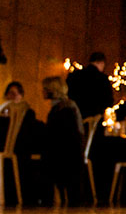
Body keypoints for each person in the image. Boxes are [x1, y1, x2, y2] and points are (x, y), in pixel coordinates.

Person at [41, 76, 84, 205]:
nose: (42, 91)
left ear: (52, 90)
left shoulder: (63, 109)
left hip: (66, 154)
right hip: (69, 153)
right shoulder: (66, 106)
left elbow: (59, 135)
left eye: (45, 89)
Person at [66, 52, 114, 120]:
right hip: (95, 118)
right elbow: (108, 101)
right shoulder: (102, 79)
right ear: (102, 63)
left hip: (75, 116)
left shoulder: (74, 75)